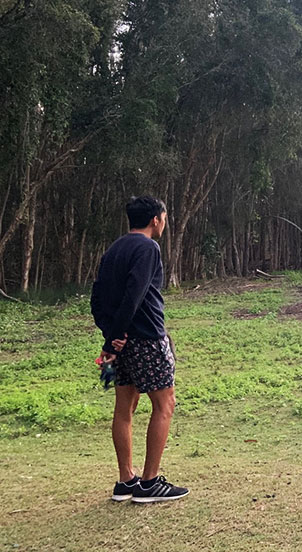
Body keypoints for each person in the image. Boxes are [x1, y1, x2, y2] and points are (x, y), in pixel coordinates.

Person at [91, 196, 188, 503]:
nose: (165, 223)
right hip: (147, 338)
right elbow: (135, 294)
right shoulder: (148, 248)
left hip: (121, 343)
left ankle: (125, 481)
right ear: (155, 220)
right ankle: (149, 484)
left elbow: (97, 297)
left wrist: (111, 337)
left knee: (124, 409)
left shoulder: (113, 249)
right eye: (164, 218)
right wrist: (118, 332)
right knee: (165, 404)